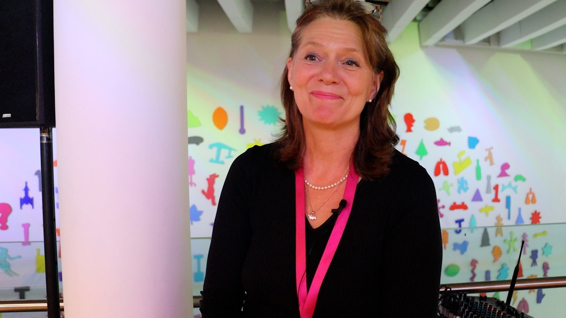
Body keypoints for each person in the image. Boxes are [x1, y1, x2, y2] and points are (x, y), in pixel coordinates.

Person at [200, 0, 442, 317]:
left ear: (374, 84)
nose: (328, 75)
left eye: (351, 62)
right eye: (313, 57)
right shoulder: (251, 173)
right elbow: (220, 303)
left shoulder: (409, 188)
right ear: (291, 71)